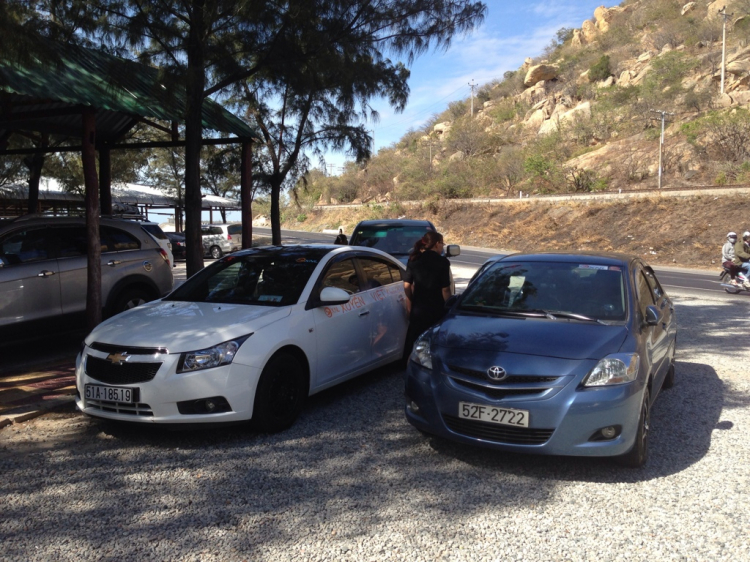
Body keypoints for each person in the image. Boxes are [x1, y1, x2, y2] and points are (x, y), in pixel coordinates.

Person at [403, 231, 452, 356]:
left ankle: (411, 368)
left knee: (414, 342)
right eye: (442, 244)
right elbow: (445, 289)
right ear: (437, 244)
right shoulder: (443, 262)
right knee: (433, 342)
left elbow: (407, 285)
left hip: (418, 309)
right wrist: (450, 306)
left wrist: (411, 303)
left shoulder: (414, 259)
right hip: (437, 309)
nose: (442, 247)